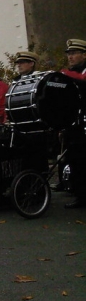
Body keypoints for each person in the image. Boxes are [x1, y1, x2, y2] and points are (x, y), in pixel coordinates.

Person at [60, 39, 86, 208]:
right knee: (75, 159)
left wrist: (64, 74)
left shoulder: (78, 73)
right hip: (74, 123)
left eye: (74, 53)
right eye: (69, 54)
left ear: (84, 54)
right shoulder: (69, 73)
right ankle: (80, 196)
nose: (70, 57)